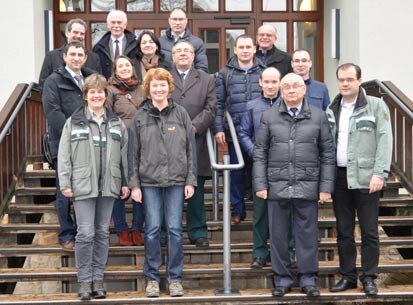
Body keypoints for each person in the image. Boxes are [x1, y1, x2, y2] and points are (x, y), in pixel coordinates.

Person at [253, 73, 335, 298]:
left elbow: (327, 153)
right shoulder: (269, 117)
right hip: (277, 185)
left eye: (296, 86)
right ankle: (282, 279)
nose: (291, 90)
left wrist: (325, 187)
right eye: (286, 86)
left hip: (307, 185)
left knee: (306, 235)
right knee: (278, 236)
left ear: (304, 90)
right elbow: (259, 153)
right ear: (281, 90)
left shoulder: (318, 116)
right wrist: (261, 184)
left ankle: (308, 279)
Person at [58, 73, 129, 300]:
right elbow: (64, 155)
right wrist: (65, 182)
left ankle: (98, 279)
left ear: (105, 95)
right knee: (85, 233)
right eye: (92, 92)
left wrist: (125, 182)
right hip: (82, 185)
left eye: (100, 92)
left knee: (101, 233)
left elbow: (124, 156)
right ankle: (84, 282)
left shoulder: (116, 123)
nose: (97, 95)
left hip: (109, 185)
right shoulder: (74, 122)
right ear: (85, 96)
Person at [129, 67, 197, 298]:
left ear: (169, 87)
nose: (159, 89)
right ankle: (152, 279)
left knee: (176, 230)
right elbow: (133, 154)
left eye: (162, 85)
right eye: (154, 85)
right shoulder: (140, 116)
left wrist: (191, 180)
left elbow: (190, 150)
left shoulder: (181, 114)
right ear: (148, 89)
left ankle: (175, 278)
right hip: (149, 183)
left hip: (177, 181)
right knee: (152, 230)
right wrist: (135, 184)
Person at [327, 63, 393, 296]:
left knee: (369, 231)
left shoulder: (376, 106)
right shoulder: (332, 109)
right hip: (339, 178)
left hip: (367, 178)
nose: (344, 84)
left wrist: (380, 173)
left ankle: (369, 278)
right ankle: (347, 277)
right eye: (341, 80)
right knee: (344, 231)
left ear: (359, 80)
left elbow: (385, 141)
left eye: (349, 79)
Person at [42, 41, 94, 250]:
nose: (76, 58)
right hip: (63, 143)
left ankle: (84, 230)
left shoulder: (90, 78)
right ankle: (66, 234)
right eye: (72, 54)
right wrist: (73, 135)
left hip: (89, 144)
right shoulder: (53, 81)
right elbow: (52, 112)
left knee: (84, 189)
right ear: (64, 57)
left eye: (80, 55)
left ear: (85, 58)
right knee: (64, 189)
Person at [214, 34, 264, 225]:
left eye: (248, 47)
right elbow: (218, 103)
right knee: (235, 173)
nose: (244, 50)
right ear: (235, 50)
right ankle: (238, 210)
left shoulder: (264, 71)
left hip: (260, 130)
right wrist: (218, 128)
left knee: (259, 170)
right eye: (240, 47)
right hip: (234, 131)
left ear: (254, 49)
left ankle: (261, 209)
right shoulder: (225, 74)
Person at [170, 40, 216, 247]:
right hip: (167, 142)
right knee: (168, 190)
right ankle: (167, 232)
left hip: (196, 141)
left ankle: (198, 232)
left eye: (186, 51)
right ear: (172, 56)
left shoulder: (207, 79)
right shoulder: (163, 76)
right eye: (178, 51)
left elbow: (211, 107)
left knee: (195, 191)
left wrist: (193, 127)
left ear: (194, 56)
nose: (182, 54)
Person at [238, 67, 282, 269]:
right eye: (267, 82)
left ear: (280, 83)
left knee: (283, 211)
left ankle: (283, 253)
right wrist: (254, 152)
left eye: (274, 82)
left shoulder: (287, 104)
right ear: (260, 83)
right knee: (261, 212)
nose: (271, 85)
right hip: (260, 166)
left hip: (284, 165)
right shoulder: (251, 106)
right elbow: (243, 133)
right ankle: (259, 253)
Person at [106, 55, 145, 246]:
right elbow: (106, 115)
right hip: (118, 143)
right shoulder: (110, 89)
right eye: (120, 65)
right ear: (115, 70)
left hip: (142, 143)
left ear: (132, 67)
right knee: (118, 185)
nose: (124, 68)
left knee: (140, 184)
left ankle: (137, 228)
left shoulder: (142, 88)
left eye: (127, 65)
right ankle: (122, 229)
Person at [39, 18, 102, 89]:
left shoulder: (94, 57)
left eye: (82, 33)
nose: (78, 36)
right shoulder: (51, 56)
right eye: (75, 32)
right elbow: (43, 84)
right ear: (67, 33)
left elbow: (99, 83)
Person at [159, 7, 208, 73]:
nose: (177, 23)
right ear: (169, 20)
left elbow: (202, 68)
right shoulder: (160, 42)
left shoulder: (197, 43)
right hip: (166, 81)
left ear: (186, 21)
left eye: (181, 19)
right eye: (174, 19)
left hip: (189, 81)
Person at [93, 10, 137, 79]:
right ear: (108, 25)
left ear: (125, 25)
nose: (116, 26)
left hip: (130, 86)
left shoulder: (136, 46)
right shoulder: (98, 48)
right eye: (113, 22)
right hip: (107, 86)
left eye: (119, 22)